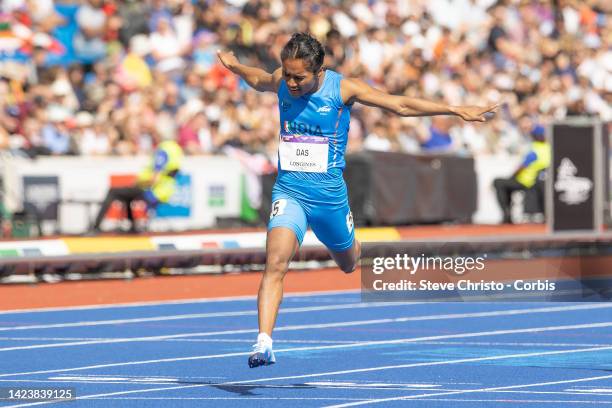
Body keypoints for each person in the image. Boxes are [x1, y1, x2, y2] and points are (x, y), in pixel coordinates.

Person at [217, 32, 498, 368]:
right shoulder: (282, 80)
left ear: (318, 72)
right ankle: (263, 341)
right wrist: (234, 66)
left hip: (330, 199)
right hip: (289, 191)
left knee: (349, 262)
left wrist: (454, 109)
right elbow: (258, 78)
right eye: (287, 74)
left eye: (299, 78)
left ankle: (350, 241)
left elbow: (400, 104)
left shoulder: (344, 89)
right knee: (275, 262)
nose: (290, 83)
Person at [90, 139, 183, 233]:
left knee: (113, 191)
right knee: (127, 195)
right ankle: (132, 227)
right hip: (164, 191)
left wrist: (139, 183)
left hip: (152, 191)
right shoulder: (175, 149)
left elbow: (155, 179)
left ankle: (96, 226)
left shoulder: (163, 151)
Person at [493, 124, 551, 224]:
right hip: (540, 182)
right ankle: (508, 215)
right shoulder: (549, 148)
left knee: (498, 182)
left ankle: (507, 214)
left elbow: (523, 166)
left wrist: (512, 175)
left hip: (526, 181)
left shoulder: (534, 149)